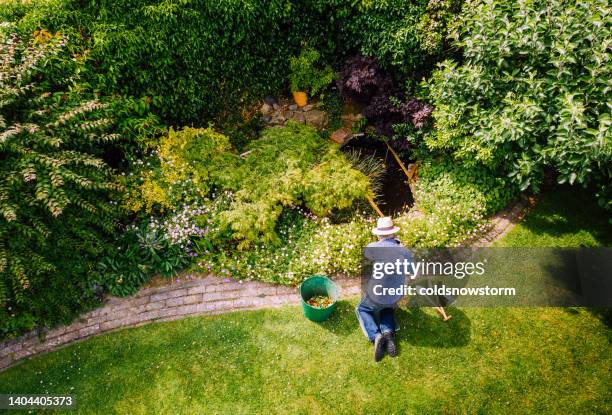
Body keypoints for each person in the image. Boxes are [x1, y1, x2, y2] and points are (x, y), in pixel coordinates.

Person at [356, 216, 413, 362]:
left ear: (378, 234)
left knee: (362, 309)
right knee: (388, 308)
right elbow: (412, 271)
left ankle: (376, 335)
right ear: (393, 233)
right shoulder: (404, 251)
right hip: (395, 295)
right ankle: (388, 331)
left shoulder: (373, 247)